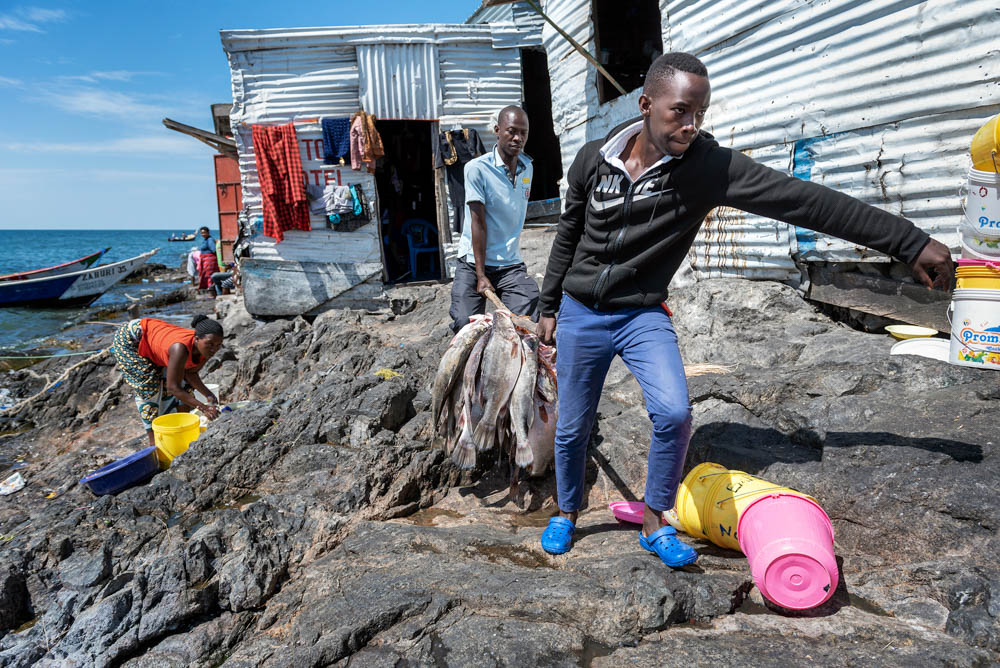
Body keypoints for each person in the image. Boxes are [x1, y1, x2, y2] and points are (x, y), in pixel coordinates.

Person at [536, 52, 953, 565]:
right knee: (574, 426)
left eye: (700, 114)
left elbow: (808, 202)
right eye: (680, 112)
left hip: (641, 314)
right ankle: (566, 512)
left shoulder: (710, 169)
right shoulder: (592, 157)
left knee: (672, 411)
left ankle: (654, 520)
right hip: (581, 312)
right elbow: (567, 234)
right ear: (646, 105)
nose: (691, 126)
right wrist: (549, 304)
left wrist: (910, 243)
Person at [449, 106, 539, 333]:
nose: (518, 138)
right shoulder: (477, 169)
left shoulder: (527, 168)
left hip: (509, 265)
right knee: (464, 323)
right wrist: (481, 275)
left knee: (528, 313)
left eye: (523, 133)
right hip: (473, 263)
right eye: (511, 131)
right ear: (497, 130)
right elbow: (477, 222)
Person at [111, 314, 225, 445]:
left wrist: (209, 395)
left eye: (218, 345)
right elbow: (173, 388)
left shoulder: (205, 349)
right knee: (150, 388)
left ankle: (182, 429)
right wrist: (204, 408)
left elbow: (190, 373)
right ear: (197, 339)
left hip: (156, 339)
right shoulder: (180, 349)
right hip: (132, 338)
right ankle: (154, 443)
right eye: (210, 344)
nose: (214, 349)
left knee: (186, 387)